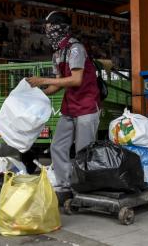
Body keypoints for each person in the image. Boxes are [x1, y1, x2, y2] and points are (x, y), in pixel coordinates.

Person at [27, 11, 100, 191]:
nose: (47, 30)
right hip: (69, 107)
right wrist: (36, 92)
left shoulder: (76, 49)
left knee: (83, 151)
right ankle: (64, 184)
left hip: (87, 106)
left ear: (60, 28)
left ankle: (84, 187)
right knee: (57, 146)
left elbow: (76, 80)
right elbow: (58, 85)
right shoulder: (57, 55)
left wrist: (43, 80)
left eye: (50, 26)